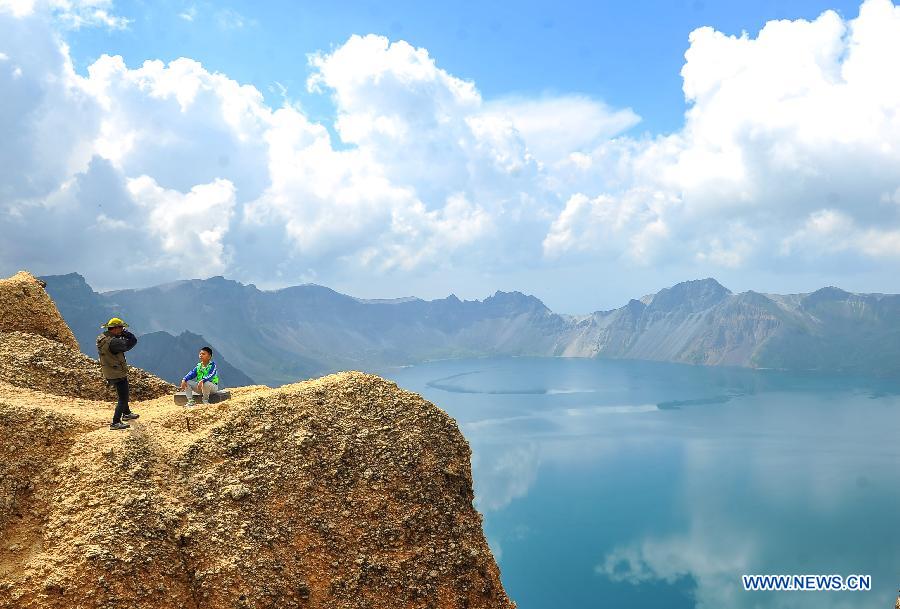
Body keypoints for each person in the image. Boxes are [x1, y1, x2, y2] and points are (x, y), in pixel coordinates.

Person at [96, 317, 139, 430]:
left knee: (122, 394)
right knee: (123, 398)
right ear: (115, 329)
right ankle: (115, 422)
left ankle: (127, 413)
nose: (122, 330)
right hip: (117, 372)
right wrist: (127, 334)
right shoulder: (114, 342)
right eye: (120, 328)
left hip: (109, 370)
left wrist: (120, 334)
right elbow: (132, 342)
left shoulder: (102, 338)